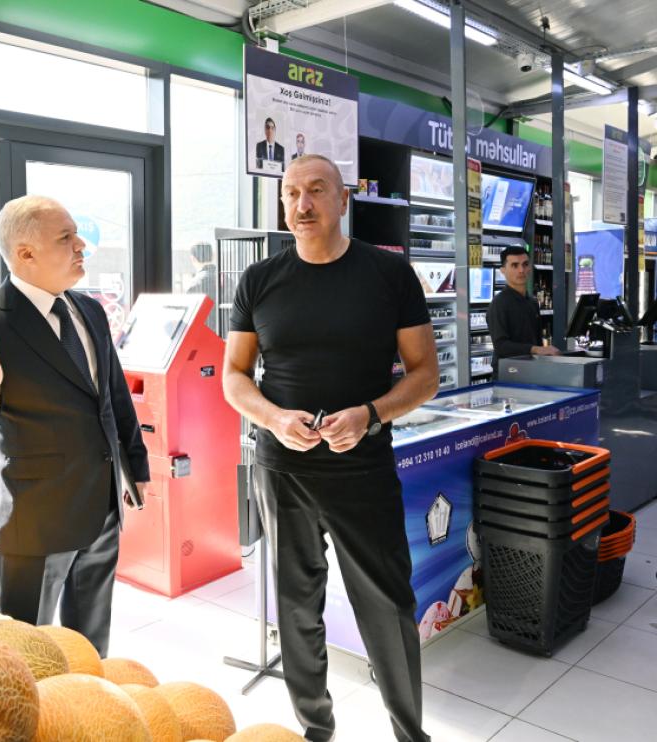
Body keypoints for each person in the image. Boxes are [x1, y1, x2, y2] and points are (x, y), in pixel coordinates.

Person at [222, 155, 438, 742]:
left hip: (363, 468)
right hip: (283, 470)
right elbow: (234, 376)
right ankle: (316, 731)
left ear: (344, 199)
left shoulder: (389, 275)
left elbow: (425, 374)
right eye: (291, 193)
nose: (302, 204)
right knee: (296, 606)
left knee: (388, 605)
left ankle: (410, 733)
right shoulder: (258, 280)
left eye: (316, 190)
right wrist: (273, 418)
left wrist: (370, 414)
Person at [0, 195, 151, 656]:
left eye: (77, 235)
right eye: (66, 238)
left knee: (90, 650)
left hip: (103, 507)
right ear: (25, 253)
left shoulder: (89, 311)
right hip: (36, 519)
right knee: (26, 654)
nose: (81, 246)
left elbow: (112, 396)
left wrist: (135, 467)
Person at [488, 245, 560, 377]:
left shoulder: (532, 302)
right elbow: (501, 345)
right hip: (508, 374)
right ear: (503, 270)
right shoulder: (499, 303)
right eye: (515, 265)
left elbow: (536, 340)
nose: (521, 270)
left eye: (525, 264)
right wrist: (536, 349)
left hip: (531, 371)